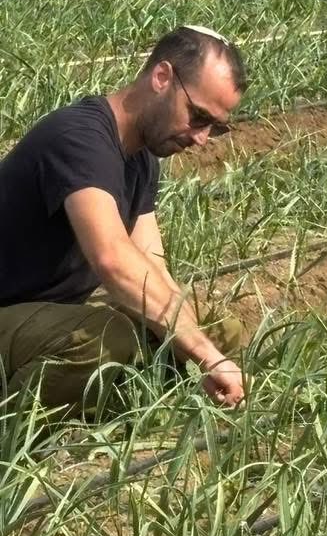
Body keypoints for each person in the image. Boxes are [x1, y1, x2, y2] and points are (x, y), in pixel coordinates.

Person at [0, 26, 247, 417]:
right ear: (161, 78)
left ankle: (128, 403)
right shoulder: (80, 138)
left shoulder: (141, 157)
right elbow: (113, 260)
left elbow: (152, 266)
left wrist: (200, 344)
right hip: (10, 310)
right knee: (105, 338)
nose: (201, 138)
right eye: (198, 116)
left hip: (53, 313)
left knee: (217, 328)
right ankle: (21, 427)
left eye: (214, 126)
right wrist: (204, 355)